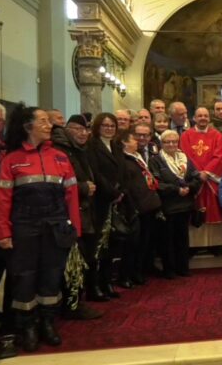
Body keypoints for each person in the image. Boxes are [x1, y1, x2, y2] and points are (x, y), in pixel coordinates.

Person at [0, 105, 81, 351]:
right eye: (42, 121)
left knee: (52, 275)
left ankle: (47, 323)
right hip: (24, 227)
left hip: (56, 226)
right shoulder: (12, 160)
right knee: (24, 278)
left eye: (48, 121)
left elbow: (71, 195)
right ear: (27, 126)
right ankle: (27, 326)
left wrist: (75, 229)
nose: (48, 125)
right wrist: (2, 231)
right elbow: (1, 199)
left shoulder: (61, 158)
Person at [51, 114, 103, 319]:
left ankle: (76, 301)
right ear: (67, 129)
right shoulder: (60, 150)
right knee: (74, 260)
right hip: (70, 212)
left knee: (83, 258)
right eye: (77, 129)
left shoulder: (80, 149)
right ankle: (72, 304)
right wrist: (82, 187)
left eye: (85, 130)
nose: (83, 133)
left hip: (85, 210)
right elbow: (59, 182)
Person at [149, 130, 202, 278]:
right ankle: (169, 270)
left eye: (174, 141)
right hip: (168, 206)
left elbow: (196, 177)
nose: (171, 144)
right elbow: (156, 182)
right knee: (167, 240)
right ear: (162, 143)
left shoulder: (184, 158)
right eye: (167, 142)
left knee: (182, 238)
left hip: (185, 205)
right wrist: (176, 189)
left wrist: (189, 188)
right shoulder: (156, 160)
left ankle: (183, 268)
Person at [86, 113, 123, 301]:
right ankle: (94, 286)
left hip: (115, 201)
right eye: (105, 125)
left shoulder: (116, 146)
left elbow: (122, 171)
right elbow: (96, 174)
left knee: (110, 244)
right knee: (97, 246)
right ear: (98, 127)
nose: (109, 128)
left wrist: (121, 192)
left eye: (112, 125)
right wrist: (113, 193)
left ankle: (107, 282)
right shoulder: (92, 146)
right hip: (100, 201)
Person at [117, 127, 162, 287]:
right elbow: (128, 186)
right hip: (136, 207)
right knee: (133, 244)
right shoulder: (123, 160)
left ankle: (139, 271)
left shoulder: (136, 157)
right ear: (124, 143)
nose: (137, 141)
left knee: (144, 242)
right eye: (133, 139)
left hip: (147, 205)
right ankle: (126, 275)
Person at [180, 107, 222, 253]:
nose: (203, 118)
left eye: (205, 116)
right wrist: (197, 173)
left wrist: (206, 172)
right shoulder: (186, 135)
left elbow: (219, 155)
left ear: (209, 118)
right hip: (194, 179)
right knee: (195, 209)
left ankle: (215, 244)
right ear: (194, 118)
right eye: (200, 115)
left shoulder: (217, 135)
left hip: (211, 180)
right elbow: (185, 155)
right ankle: (195, 245)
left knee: (213, 210)